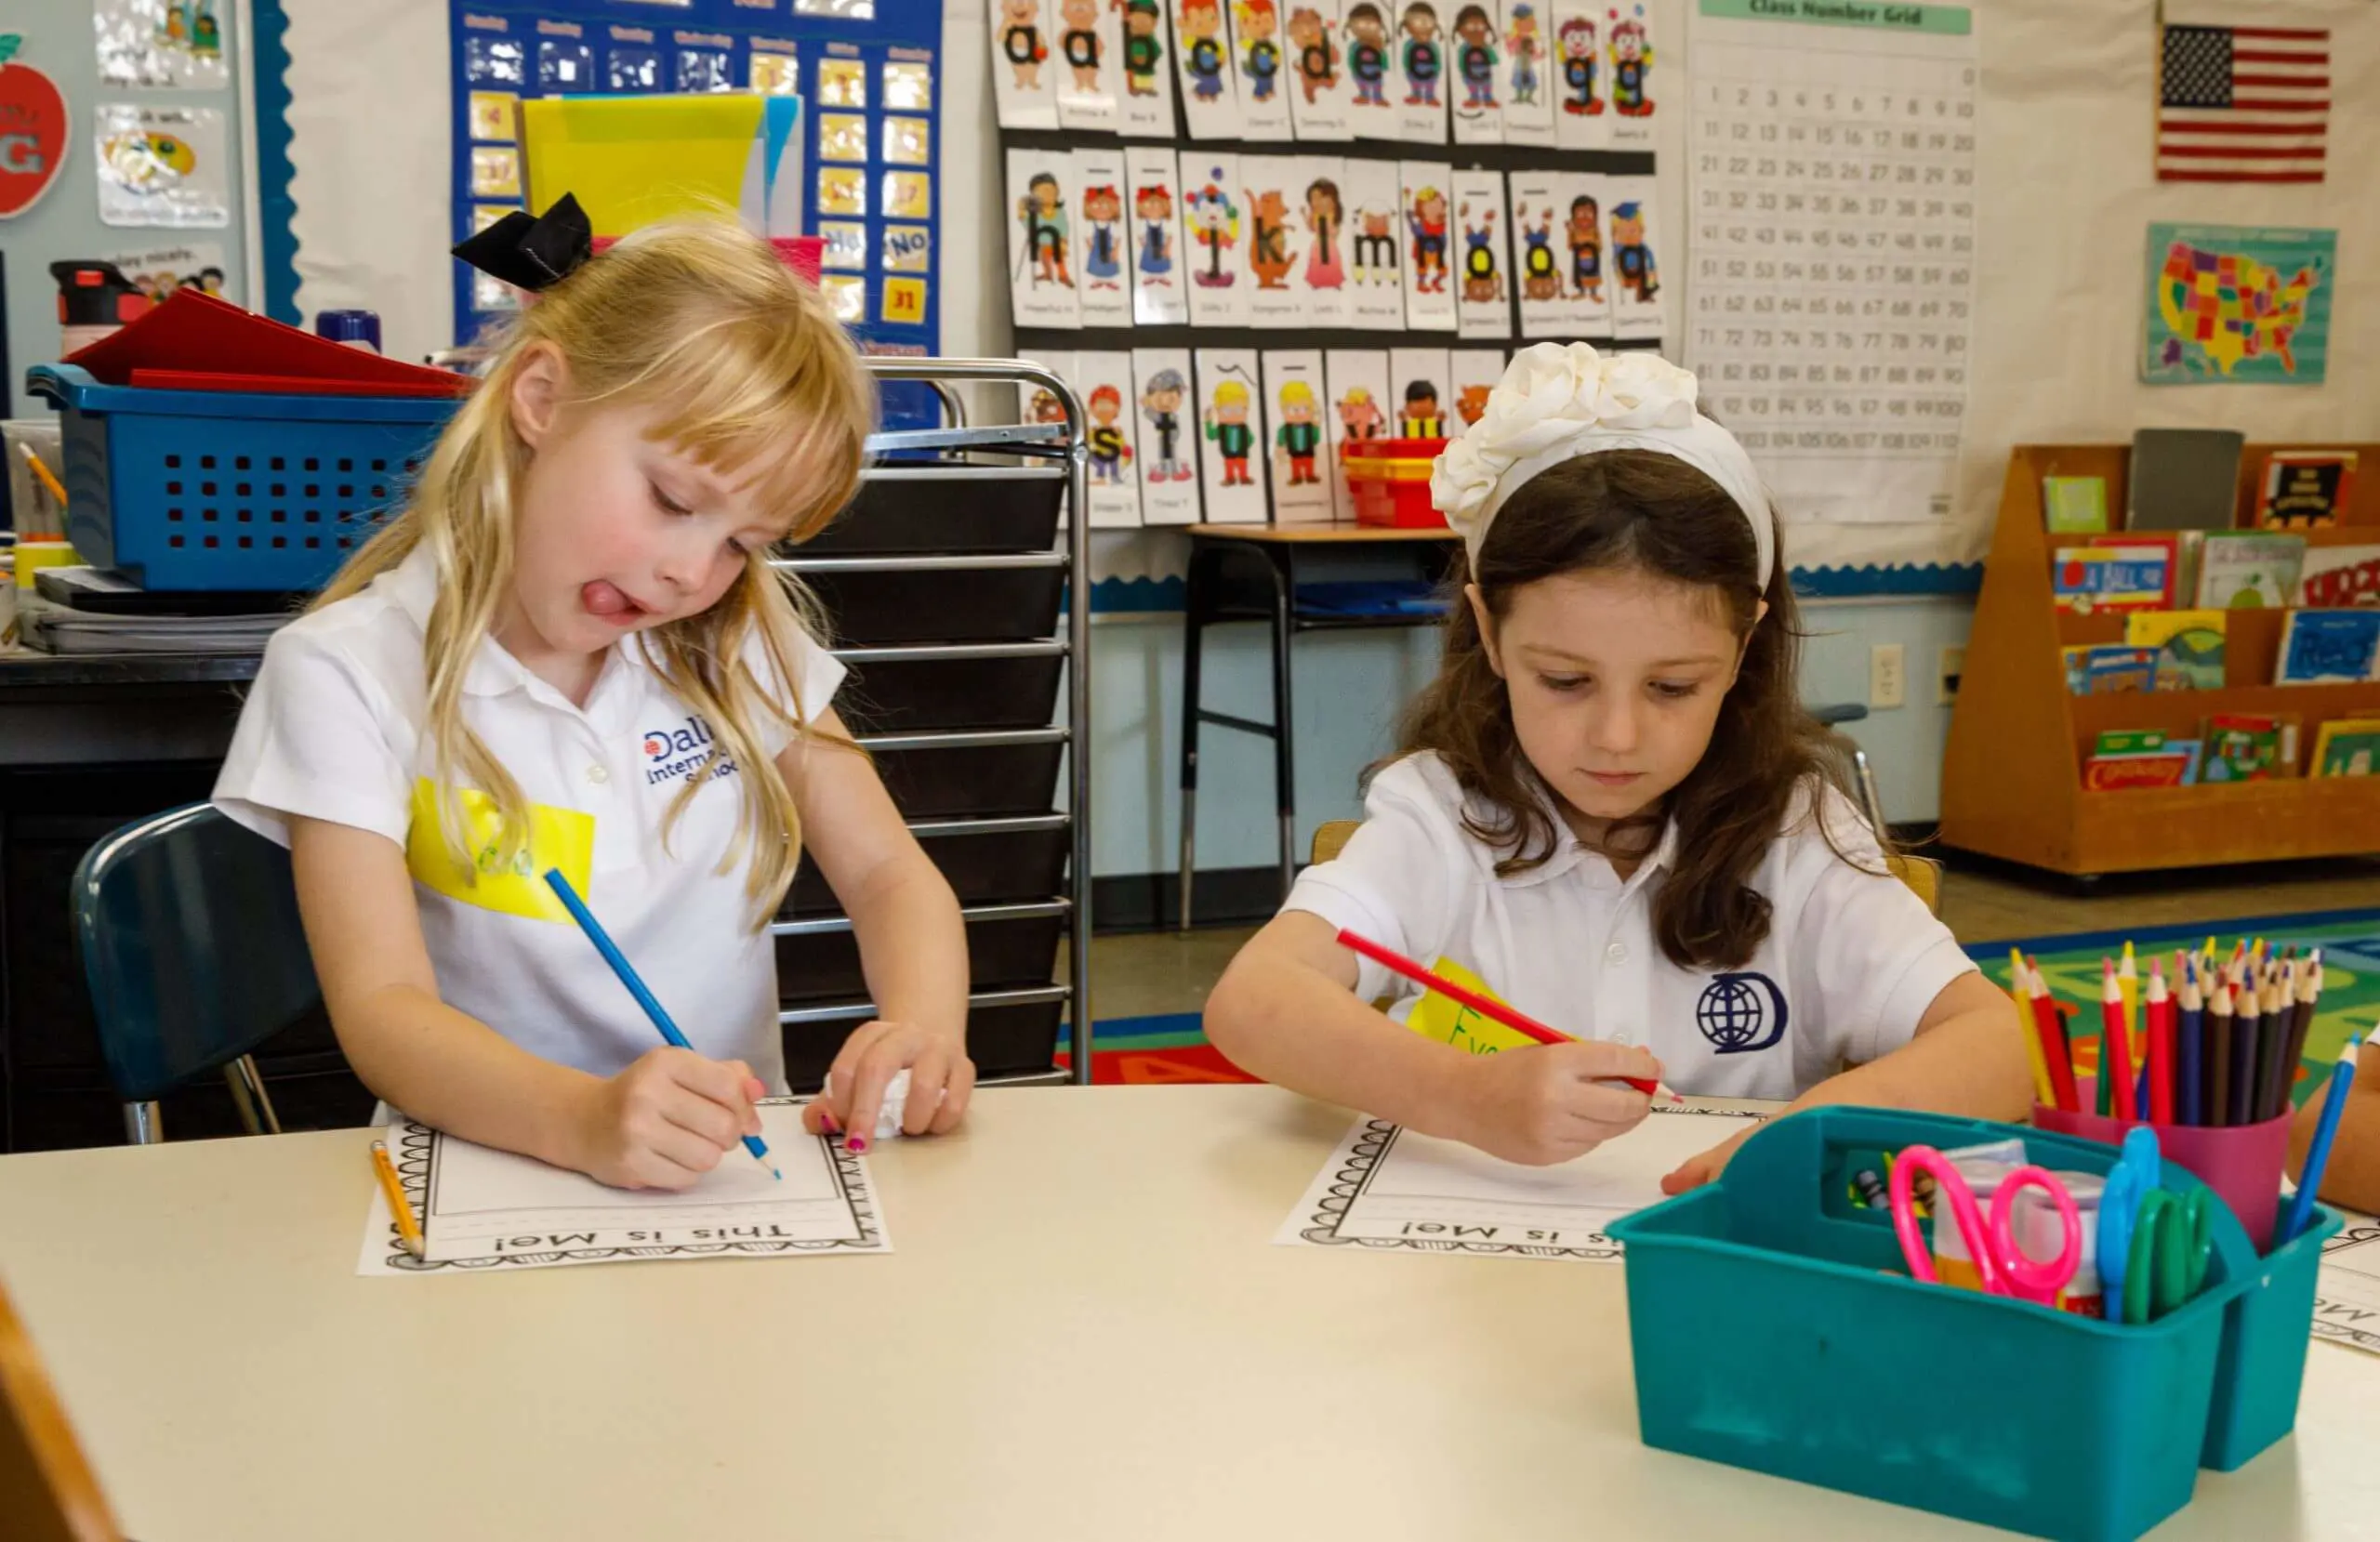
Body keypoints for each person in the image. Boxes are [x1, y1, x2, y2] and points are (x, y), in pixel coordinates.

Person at [214, 212, 975, 1190]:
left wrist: (921, 1027)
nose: (691, 572)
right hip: (484, 1179)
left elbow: (888, 876)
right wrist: (581, 1118)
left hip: (728, 1188)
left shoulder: (734, 636)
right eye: (671, 500)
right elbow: (385, 1013)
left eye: (745, 542)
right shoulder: (344, 671)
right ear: (540, 400)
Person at [1205, 344, 2031, 1183]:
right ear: (1490, 632)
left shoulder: (1796, 836)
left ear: (1743, 643)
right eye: (1565, 680)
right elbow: (1255, 1000)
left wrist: (1809, 1130)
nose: (1617, 736)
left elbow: (1999, 1050)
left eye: (1673, 686)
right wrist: (1465, 1094)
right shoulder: (1439, 815)